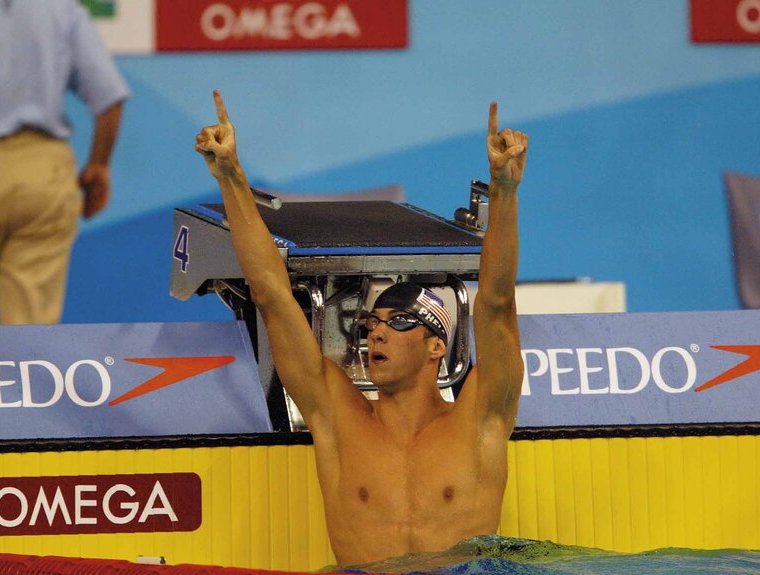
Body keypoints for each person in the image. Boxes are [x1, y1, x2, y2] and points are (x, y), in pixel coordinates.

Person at [195, 91, 527, 566]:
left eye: (400, 322)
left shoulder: (481, 417)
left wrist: (504, 191)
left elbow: (496, 301)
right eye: (372, 323)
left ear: (438, 345)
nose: (377, 333)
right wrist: (231, 175)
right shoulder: (337, 416)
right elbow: (269, 293)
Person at [0, 0, 130, 325]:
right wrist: (98, 165)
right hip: (42, 175)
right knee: (29, 337)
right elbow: (109, 99)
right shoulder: (61, 7)